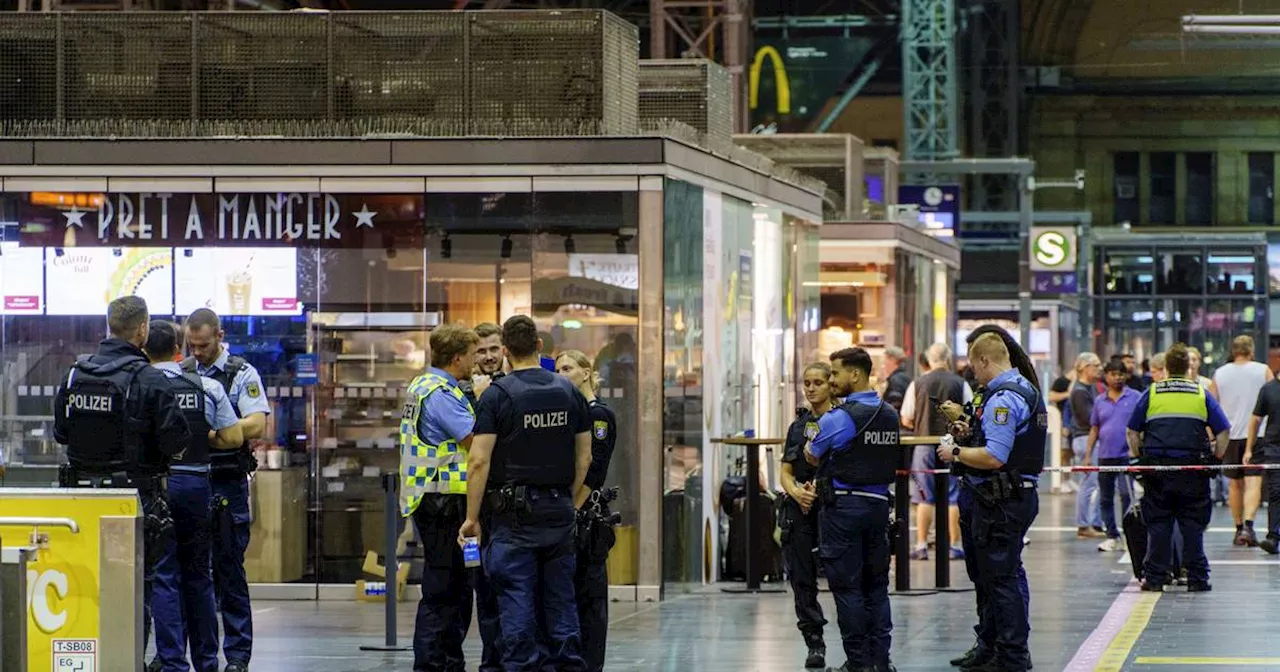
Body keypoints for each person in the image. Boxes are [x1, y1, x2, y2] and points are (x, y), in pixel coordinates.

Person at [52, 297, 190, 670]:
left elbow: (61, 434)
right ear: (142, 329)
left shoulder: (74, 374)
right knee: (135, 586)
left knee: (85, 583)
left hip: (78, 500)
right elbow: (177, 441)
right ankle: (126, 660)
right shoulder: (149, 379)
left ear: (109, 325)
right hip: (133, 498)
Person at [461, 315, 592, 671]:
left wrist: (472, 518)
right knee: (561, 602)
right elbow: (585, 457)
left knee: (516, 604)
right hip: (559, 511)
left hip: (513, 517)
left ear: (505, 351)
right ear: (539, 346)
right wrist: (566, 495)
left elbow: (478, 461)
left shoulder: (497, 396)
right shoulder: (568, 392)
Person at [939, 332, 1045, 672]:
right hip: (994, 498)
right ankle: (990, 644)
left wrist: (954, 451)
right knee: (989, 576)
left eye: (973, 364)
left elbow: (995, 456)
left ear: (985, 360)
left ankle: (1011, 654)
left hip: (1000, 500)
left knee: (1001, 577)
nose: (972, 373)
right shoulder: (1017, 390)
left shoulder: (1003, 398)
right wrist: (968, 433)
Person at [143, 320, 243, 672]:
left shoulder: (141, 385)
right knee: (201, 575)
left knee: (165, 575)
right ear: (178, 350)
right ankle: (207, 661)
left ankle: (172, 662)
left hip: (159, 485)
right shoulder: (208, 386)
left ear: (144, 349)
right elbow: (234, 439)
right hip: (197, 485)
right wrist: (204, 438)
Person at [399, 324, 497, 672]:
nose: (476, 361)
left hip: (437, 499)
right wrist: (486, 400)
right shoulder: (440, 393)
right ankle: (431, 664)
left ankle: (448, 662)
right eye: (472, 354)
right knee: (443, 589)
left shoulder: (425, 385)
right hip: (444, 502)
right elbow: (476, 441)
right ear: (457, 358)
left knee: (454, 587)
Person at [182, 308, 271, 672]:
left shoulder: (240, 373)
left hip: (226, 483)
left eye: (203, 345)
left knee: (229, 571)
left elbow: (257, 423)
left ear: (219, 335)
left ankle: (236, 656)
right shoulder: (182, 372)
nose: (198, 352)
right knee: (190, 572)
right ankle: (188, 653)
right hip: (189, 480)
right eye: (192, 345)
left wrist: (219, 433)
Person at [804, 348, 897, 672]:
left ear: (854, 375)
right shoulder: (890, 413)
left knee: (848, 589)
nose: (831, 380)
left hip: (844, 509)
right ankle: (880, 662)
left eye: (835, 373)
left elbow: (812, 453)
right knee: (877, 588)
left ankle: (858, 664)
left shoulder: (839, 418)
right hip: (879, 507)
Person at [1127, 343, 1230, 592]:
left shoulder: (1152, 393)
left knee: (1159, 526)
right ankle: (1197, 578)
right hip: (1192, 471)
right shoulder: (1200, 393)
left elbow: (1132, 431)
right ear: (1187, 366)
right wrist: (1216, 458)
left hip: (1158, 472)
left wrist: (1140, 456)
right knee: (1192, 527)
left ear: (1166, 367)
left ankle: (1154, 578)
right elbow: (1224, 430)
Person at [555, 350, 619, 672]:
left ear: (586, 372)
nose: (561, 373)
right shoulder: (569, 415)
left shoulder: (598, 416)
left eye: (567, 368)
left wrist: (572, 508)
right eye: (557, 369)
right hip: (566, 514)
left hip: (587, 516)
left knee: (590, 601)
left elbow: (595, 469)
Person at [777, 362, 833, 669]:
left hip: (832, 508)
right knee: (802, 579)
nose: (811, 388)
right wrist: (796, 492)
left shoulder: (841, 421)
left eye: (817, 383)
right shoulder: (798, 426)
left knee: (843, 578)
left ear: (830, 386)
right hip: (800, 508)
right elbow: (785, 470)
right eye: (807, 383)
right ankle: (814, 642)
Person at [902, 343, 970, 561]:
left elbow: (906, 417)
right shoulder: (961, 383)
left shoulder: (918, 383)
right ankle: (954, 545)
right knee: (953, 496)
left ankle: (921, 545)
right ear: (948, 359)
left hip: (923, 443)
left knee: (924, 496)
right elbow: (969, 416)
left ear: (929, 360)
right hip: (951, 443)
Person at [1209, 335, 1273, 546]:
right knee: (1253, 481)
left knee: (1234, 484)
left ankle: (1238, 529)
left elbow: (1211, 405)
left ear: (1233, 350)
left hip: (1230, 435)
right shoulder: (1263, 370)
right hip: (1258, 434)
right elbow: (1274, 397)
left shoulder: (1219, 374)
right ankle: (1249, 525)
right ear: (1251, 350)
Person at [1086, 359, 1140, 552]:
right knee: (1106, 498)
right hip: (1105, 456)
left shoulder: (1135, 397)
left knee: (1127, 495)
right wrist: (1087, 455)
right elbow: (1094, 429)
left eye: (1121, 374)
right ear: (1106, 376)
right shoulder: (1100, 400)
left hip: (1127, 456)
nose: (1117, 378)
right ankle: (1111, 535)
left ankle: (1128, 534)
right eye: (1113, 374)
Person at [1245, 361, 1280, 554]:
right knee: (1275, 491)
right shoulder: (1268, 389)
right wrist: (1248, 449)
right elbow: (1255, 419)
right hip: (1274, 448)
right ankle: (1273, 537)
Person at [1070, 353, 1105, 538]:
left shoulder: (1090, 389)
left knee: (1095, 483)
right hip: (1085, 439)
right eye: (1096, 365)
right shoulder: (1079, 391)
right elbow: (1090, 419)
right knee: (1089, 484)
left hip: (1089, 439)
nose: (1099, 369)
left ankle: (1095, 522)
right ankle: (1083, 525)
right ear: (1085, 368)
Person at [881, 345, 912, 412]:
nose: (884, 364)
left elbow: (894, 407)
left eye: (885, 360)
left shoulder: (896, 380)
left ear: (892, 360)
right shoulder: (904, 376)